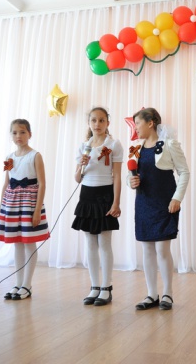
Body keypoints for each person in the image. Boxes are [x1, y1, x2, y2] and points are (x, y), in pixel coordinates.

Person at [127, 108, 190, 311]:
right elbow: (131, 176)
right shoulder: (136, 148)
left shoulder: (169, 144)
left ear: (150, 123)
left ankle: (167, 294)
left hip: (165, 203)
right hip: (143, 203)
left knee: (162, 249)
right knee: (147, 249)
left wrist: (177, 198)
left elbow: (184, 172)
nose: (135, 127)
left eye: (138, 123)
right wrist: (131, 181)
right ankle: (151, 294)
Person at [0, 119, 50, 301]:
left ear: (30, 134)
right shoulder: (10, 157)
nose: (19, 136)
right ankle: (18, 283)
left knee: (29, 243)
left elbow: (42, 184)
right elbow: (6, 183)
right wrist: (0, 209)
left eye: (23, 132)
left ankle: (27, 284)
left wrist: (37, 210)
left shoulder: (35, 156)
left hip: (29, 204)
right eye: (15, 132)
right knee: (17, 243)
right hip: (12, 203)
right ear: (11, 135)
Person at [72, 107, 123, 306]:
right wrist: (81, 165)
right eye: (93, 120)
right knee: (90, 242)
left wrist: (116, 202)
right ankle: (94, 286)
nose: (97, 124)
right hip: (87, 195)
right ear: (89, 123)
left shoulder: (114, 144)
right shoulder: (83, 146)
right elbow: (77, 178)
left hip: (105, 195)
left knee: (104, 242)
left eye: (102, 120)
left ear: (107, 123)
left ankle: (106, 287)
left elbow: (117, 175)